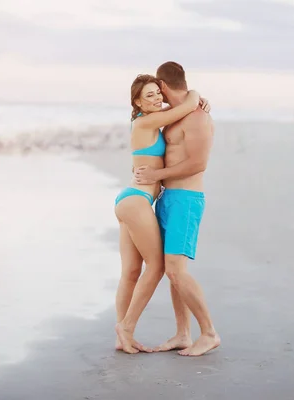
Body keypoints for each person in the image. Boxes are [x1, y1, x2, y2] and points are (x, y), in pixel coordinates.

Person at [114, 74, 210, 354]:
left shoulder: (153, 118)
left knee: (131, 272)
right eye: (149, 95)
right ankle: (126, 328)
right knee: (156, 268)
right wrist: (195, 95)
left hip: (130, 200)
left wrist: (194, 99)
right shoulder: (145, 121)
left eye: (158, 93)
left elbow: (174, 111)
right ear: (137, 102)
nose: (157, 99)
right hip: (137, 200)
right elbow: (182, 108)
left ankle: (122, 336)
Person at [133, 61, 220, 357]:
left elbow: (198, 163)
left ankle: (208, 332)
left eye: (160, 91)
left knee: (177, 271)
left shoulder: (197, 118)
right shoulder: (173, 117)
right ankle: (183, 333)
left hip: (186, 199)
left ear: (165, 85)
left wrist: (155, 176)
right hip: (169, 198)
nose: (159, 97)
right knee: (173, 273)